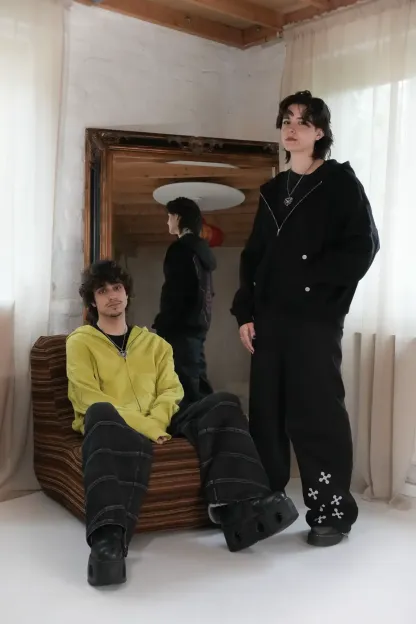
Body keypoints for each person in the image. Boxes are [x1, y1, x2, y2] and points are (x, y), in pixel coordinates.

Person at [67, 259, 298, 587]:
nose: (112, 296)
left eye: (117, 288)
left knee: (224, 403)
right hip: (112, 424)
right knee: (99, 412)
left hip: (161, 419)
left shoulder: (156, 344)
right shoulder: (80, 342)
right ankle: (108, 540)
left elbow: (171, 391)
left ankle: (240, 511)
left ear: (127, 293)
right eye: (102, 291)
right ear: (93, 301)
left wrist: (157, 422)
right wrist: (148, 428)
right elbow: (87, 397)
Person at [231, 90, 380, 548]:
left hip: (314, 321)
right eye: (286, 121)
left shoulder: (339, 183)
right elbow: (253, 257)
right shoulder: (273, 191)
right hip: (269, 321)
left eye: (303, 121)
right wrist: (245, 312)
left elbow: (363, 246)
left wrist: (314, 284)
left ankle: (330, 513)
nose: (292, 128)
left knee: (317, 414)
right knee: (266, 416)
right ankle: (266, 505)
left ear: (320, 132)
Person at [153, 197, 215, 405]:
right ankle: (210, 420)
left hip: (179, 327)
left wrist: (163, 324)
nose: (167, 222)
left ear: (178, 218)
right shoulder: (202, 252)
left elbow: (175, 291)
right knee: (198, 381)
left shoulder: (180, 249)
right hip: (197, 325)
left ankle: (196, 424)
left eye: (169, 216)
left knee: (183, 387)